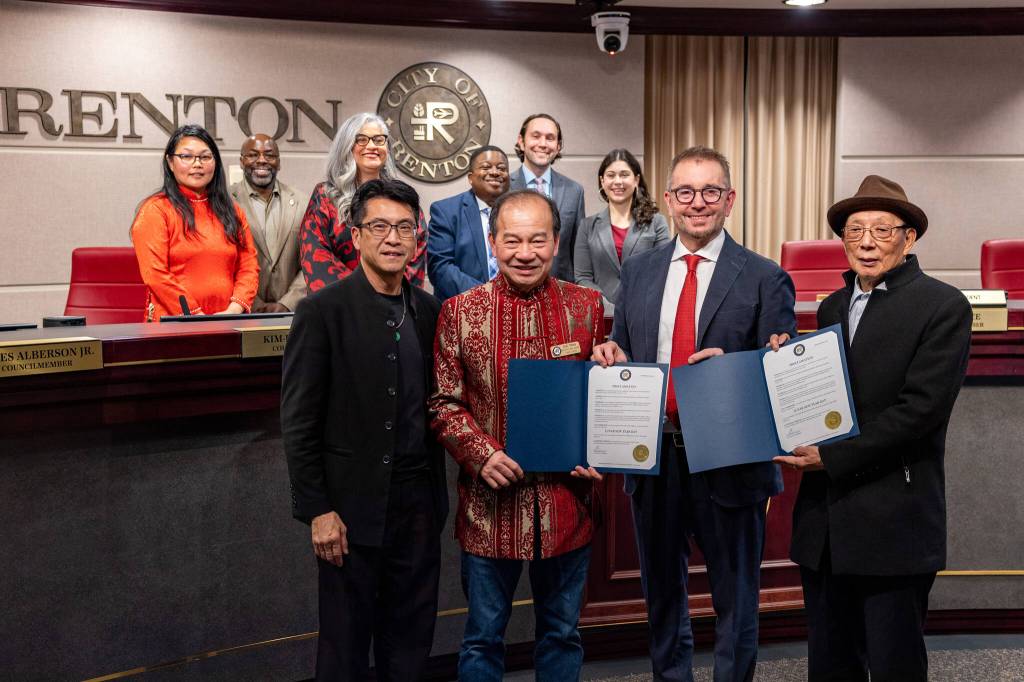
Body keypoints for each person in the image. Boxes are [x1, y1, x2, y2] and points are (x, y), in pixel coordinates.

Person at [591, 146, 796, 682]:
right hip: (656, 457)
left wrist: (735, 370)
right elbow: (623, 346)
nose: (697, 203)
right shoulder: (637, 272)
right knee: (661, 599)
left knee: (736, 603)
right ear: (666, 200)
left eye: (710, 192)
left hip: (730, 462)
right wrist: (612, 356)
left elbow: (783, 376)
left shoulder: (764, 277)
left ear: (729, 201)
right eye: (685, 192)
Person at [770, 175, 972, 682]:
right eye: (855, 229)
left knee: (893, 665)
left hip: (893, 522)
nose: (866, 241)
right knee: (830, 665)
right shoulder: (831, 307)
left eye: (882, 230)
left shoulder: (942, 306)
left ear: (910, 238)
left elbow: (920, 412)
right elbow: (822, 396)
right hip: (825, 526)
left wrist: (832, 458)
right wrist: (782, 365)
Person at [430, 189, 605, 680]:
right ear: (492, 242)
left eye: (537, 240)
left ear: (556, 241)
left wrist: (602, 450)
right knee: (483, 639)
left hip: (567, 506)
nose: (524, 253)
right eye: (511, 240)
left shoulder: (587, 309)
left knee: (561, 634)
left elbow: (601, 399)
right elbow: (444, 403)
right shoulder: (460, 312)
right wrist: (480, 453)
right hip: (490, 510)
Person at [281, 178, 448, 681]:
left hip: (418, 507)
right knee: (344, 648)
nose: (392, 238)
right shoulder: (321, 311)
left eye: (404, 227)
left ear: (417, 237)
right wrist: (318, 511)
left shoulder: (429, 310)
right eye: (379, 226)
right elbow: (299, 421)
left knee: (411, 644)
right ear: (355, 237)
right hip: (348, 514)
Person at [131, 124, 258, 321]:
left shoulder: (232, 211)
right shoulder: (155, 210)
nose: (197, 164)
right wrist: (194, 315)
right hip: (174, 323)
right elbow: (155, 274)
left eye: (205, 157)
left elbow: (248, 266)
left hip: (227, 321)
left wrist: (234, 310)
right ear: (170, 162)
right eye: (186, 156)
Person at [299, 112, 427, 292]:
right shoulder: (325, 196)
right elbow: (314, 253)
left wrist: (386, 293)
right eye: (362, 140)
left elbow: (415, 247)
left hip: (393, 304)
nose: (372, 146)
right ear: (347, 146)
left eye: (378, 140)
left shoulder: (402, 198)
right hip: (340, 304)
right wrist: (362, 294)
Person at [574, 148, 670, 315]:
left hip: (646, 313)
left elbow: (663, 272)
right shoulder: (587, 226)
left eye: (624, 175)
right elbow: (582, 278)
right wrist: (610, 309)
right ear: (602, 181)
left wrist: (635, 305)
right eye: (611, 175)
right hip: (602, 315)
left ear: (636, 180)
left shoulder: (657, 223)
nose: (617, 181)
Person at [230, 133, 307, 313]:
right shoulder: (223, 203)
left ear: (278, 162)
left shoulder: (302, 202)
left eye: (270, 155)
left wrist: (288, 302)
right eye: (253, 155)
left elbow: (311, 260)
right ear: (242, 161)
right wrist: (251, 302)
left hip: (291, 314)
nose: (262, 160)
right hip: (240, 311)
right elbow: (221, 262)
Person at [426, 145, 510, 301]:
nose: (494, 172)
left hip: (513, 310)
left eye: (501, 168)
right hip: (462, 310)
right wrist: (488, 296)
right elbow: (440, 268)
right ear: (470, 178)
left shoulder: (519, 212)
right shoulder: (445, 211)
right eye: (486, 167)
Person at [509, 113, 586, 283]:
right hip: (513, 291)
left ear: (558, 147)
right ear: (521, 142)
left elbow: (578, 252)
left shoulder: (574, 191)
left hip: (560, 292)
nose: (543, 144)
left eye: (550, 138)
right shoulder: (504, 188)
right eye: (536, 136)